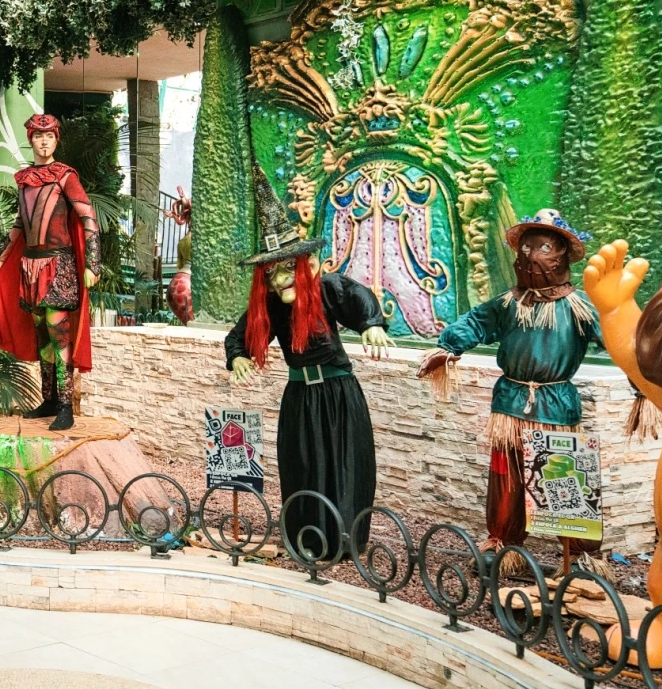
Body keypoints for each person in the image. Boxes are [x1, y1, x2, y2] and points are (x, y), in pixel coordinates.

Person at [416, 209, 605, 577]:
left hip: (556, 405)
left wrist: (642, 383)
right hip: (510, 404)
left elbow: (618, 339)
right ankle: (503, 544)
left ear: (562, 255)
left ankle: (580, 557)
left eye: (544, 247)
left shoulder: (579, 307)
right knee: (507, 478)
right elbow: (475, 322)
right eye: (527, 247)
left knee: (563, 476)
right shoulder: (508, 304)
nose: (532, 255)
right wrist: (448, 348)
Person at [226, 163, 390, 558]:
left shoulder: (326, 288)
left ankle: (345, 539)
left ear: (307, 265)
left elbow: (359, 297)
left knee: (342, 462)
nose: (279, 279)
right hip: (299, 397)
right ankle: (307, 538)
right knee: (302, 465)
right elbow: (239, 336)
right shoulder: (270, 306)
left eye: (287, 269)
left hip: (338, 394)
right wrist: (238, 358)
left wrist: (371, 325)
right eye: (271, 273)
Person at [0, 113, 101, 432]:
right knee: (42, 337)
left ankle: (66, 407)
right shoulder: (24, 179)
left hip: (59, 265)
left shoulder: (65, 175)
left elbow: (88, 217)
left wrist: (93, 263)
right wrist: (0, 260)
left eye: (49, 135)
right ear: (31, 140)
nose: (44, 141)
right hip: (30, 267)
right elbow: (19, 224)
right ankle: (49, 400)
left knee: (58, 333)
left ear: (56, 139)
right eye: (38, 136)